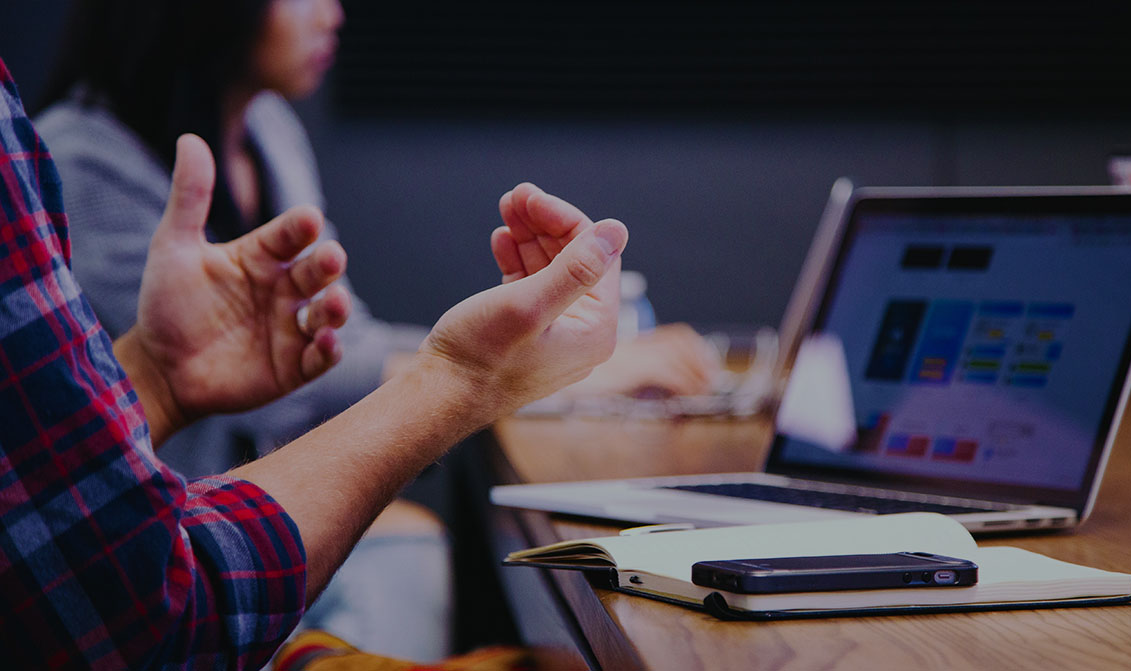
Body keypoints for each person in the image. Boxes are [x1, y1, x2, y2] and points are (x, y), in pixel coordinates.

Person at [34, 0, 717, 657]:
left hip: (243, 518)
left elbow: (330, 345)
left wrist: (509, 362)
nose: (332, 13)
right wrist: (500, 371)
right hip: (164, 560)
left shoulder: (267, 128)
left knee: (418, 550)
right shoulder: (82, 162)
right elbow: (299, 386)